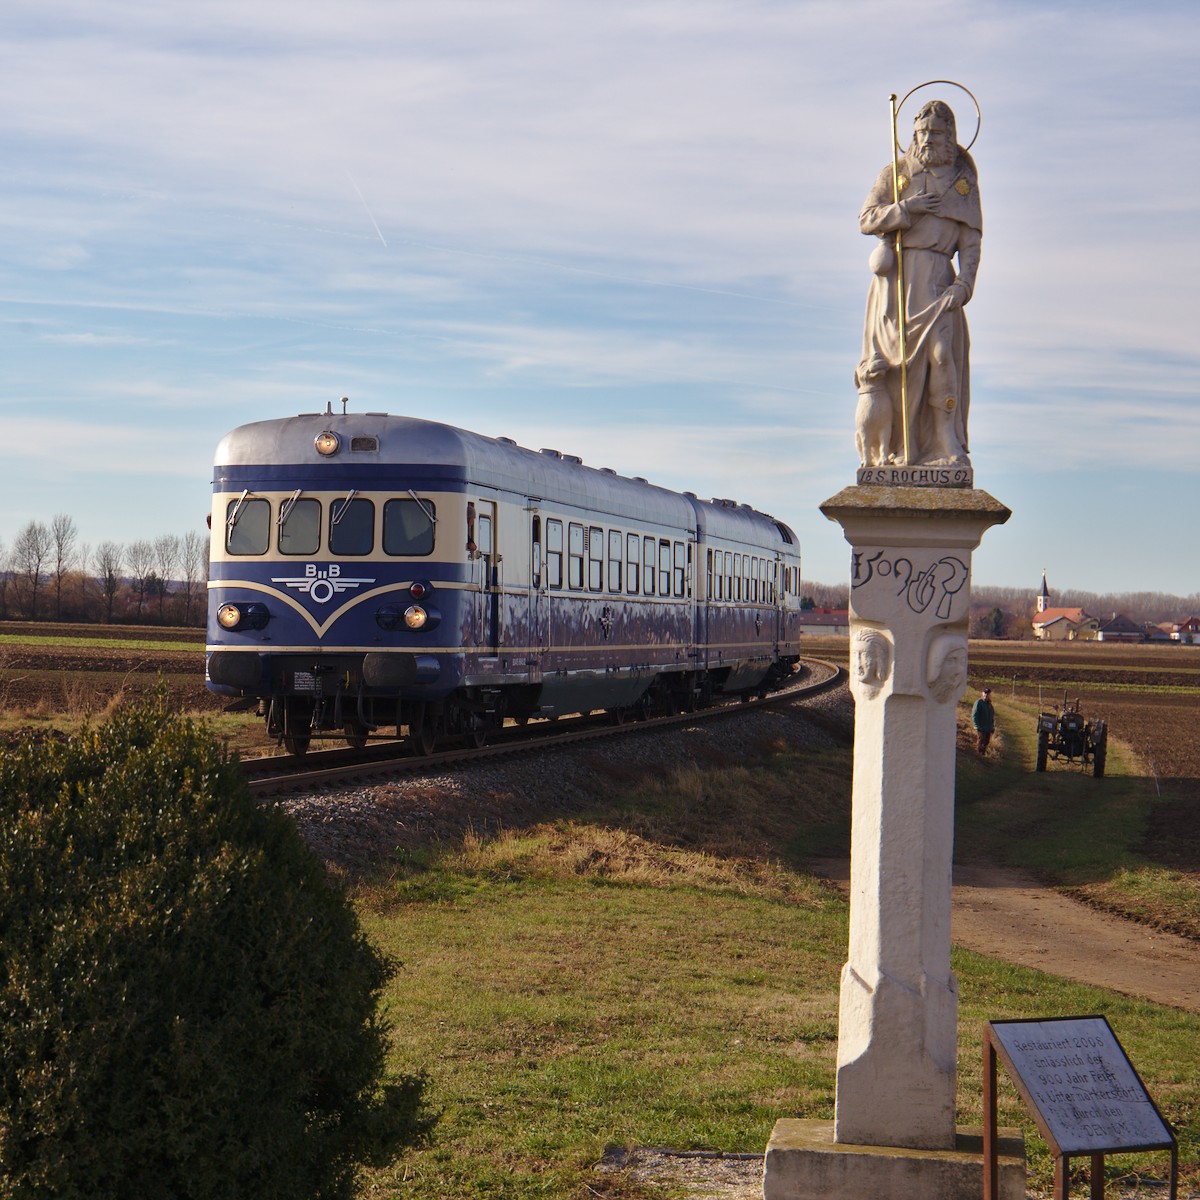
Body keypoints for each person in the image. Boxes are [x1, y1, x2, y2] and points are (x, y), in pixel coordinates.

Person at [855, 99, 982, 467]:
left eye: (936, 133)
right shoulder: (896, 175)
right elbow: (866, 219)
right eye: (922, 132)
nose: (927, 139)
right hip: (897, 285)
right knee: (899, 370)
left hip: (940, 282)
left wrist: (965, 284)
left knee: (943, 358)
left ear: (950, 137)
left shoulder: (963, 182)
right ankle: (902, 446)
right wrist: (905, 210)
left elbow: (971, 243)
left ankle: (946, 441)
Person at [971, 687, 995, 755]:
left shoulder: (990, 705)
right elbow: (974, 715)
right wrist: (977, 726)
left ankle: (982, 756)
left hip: (988, 728)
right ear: (982, 693)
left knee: (986, 743)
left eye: (988, 693)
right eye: (985, 693)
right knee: (981, 742)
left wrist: (992, 727)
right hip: (981, 728)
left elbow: (992, 717)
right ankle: (978, 757)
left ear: (990, 695)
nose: (986, 694)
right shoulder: (979, 702)